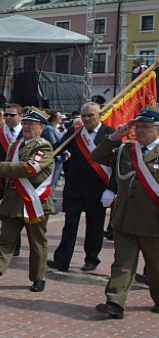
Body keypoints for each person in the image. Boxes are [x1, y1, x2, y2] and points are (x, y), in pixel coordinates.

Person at [0, 107, 55, 293]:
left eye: (31, 124)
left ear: (41, 127)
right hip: (13, 202)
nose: (27, 127)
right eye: (25, 123)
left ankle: (38, 277)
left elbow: (29, 169)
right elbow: (10, 173)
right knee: (5, 240)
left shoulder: (43, 146)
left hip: (35, 203)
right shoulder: (15, 146)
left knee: (37, 243)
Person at [90, 107, 159, 319]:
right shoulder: (126, 149)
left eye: (145, 128)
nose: (139, 131)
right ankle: (115, 302)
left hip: (153, 222)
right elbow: (97, 156)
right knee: (122, 263)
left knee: (155, 267)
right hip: (124, 218)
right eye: (137, 127)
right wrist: (114, 137)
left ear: (157, 130)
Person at [48, 102, 114, 273]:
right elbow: (60, 147)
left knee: (95, 226)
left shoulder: (110, 134)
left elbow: (116, 164)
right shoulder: (75, 131)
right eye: (84, 116)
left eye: (90, 115)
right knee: (70, 224)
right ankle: (62, 259)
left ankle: (92, 258)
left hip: (98, 188)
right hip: (74, 187)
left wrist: (112, 188)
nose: (86, 119)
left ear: (100, 114)